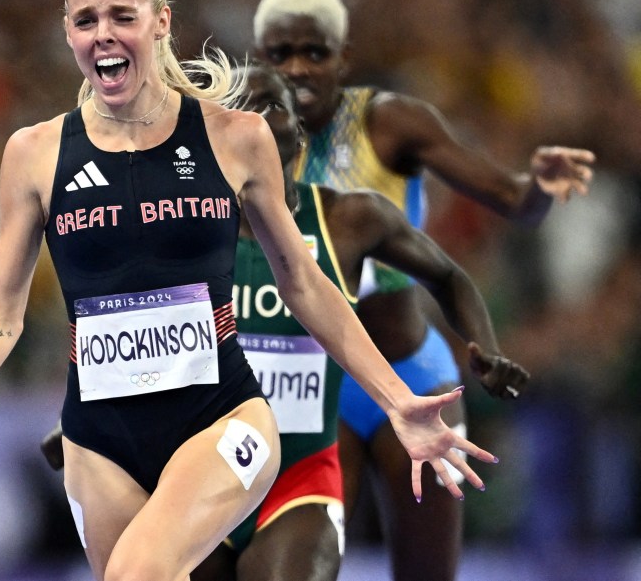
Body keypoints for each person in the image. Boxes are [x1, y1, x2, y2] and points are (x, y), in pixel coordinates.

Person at [0, 0, 497, 581]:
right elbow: (0, 314)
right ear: (68, 32)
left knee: (137, 574)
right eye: (86, 20)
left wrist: (396, 400)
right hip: (98, 441)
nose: (104, 34)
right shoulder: (33, 154)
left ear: (161, 21)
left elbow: (303, 282)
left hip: (221, 421)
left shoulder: (235, 137)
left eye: (122, 15)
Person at [42, 63, 530, 581]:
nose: (259, 120)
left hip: (300, 479)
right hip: (197, 473)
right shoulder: (184, 231)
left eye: (274, 107)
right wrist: (79, 416)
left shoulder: (349, 221)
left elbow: (447, 276)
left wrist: (485, 346)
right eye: (245, 110)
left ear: (297, 131)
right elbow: (129, 334)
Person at [251, 0, 594, 581]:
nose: (298, 69)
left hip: (415, 373)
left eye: (315, 51)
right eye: (280, 55)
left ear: (343, 57)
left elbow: (511, 200)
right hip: (317, 390)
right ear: (258, 59)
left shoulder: (390, 124)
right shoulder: (248, 142)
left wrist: (538, 185)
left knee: (428, 572)